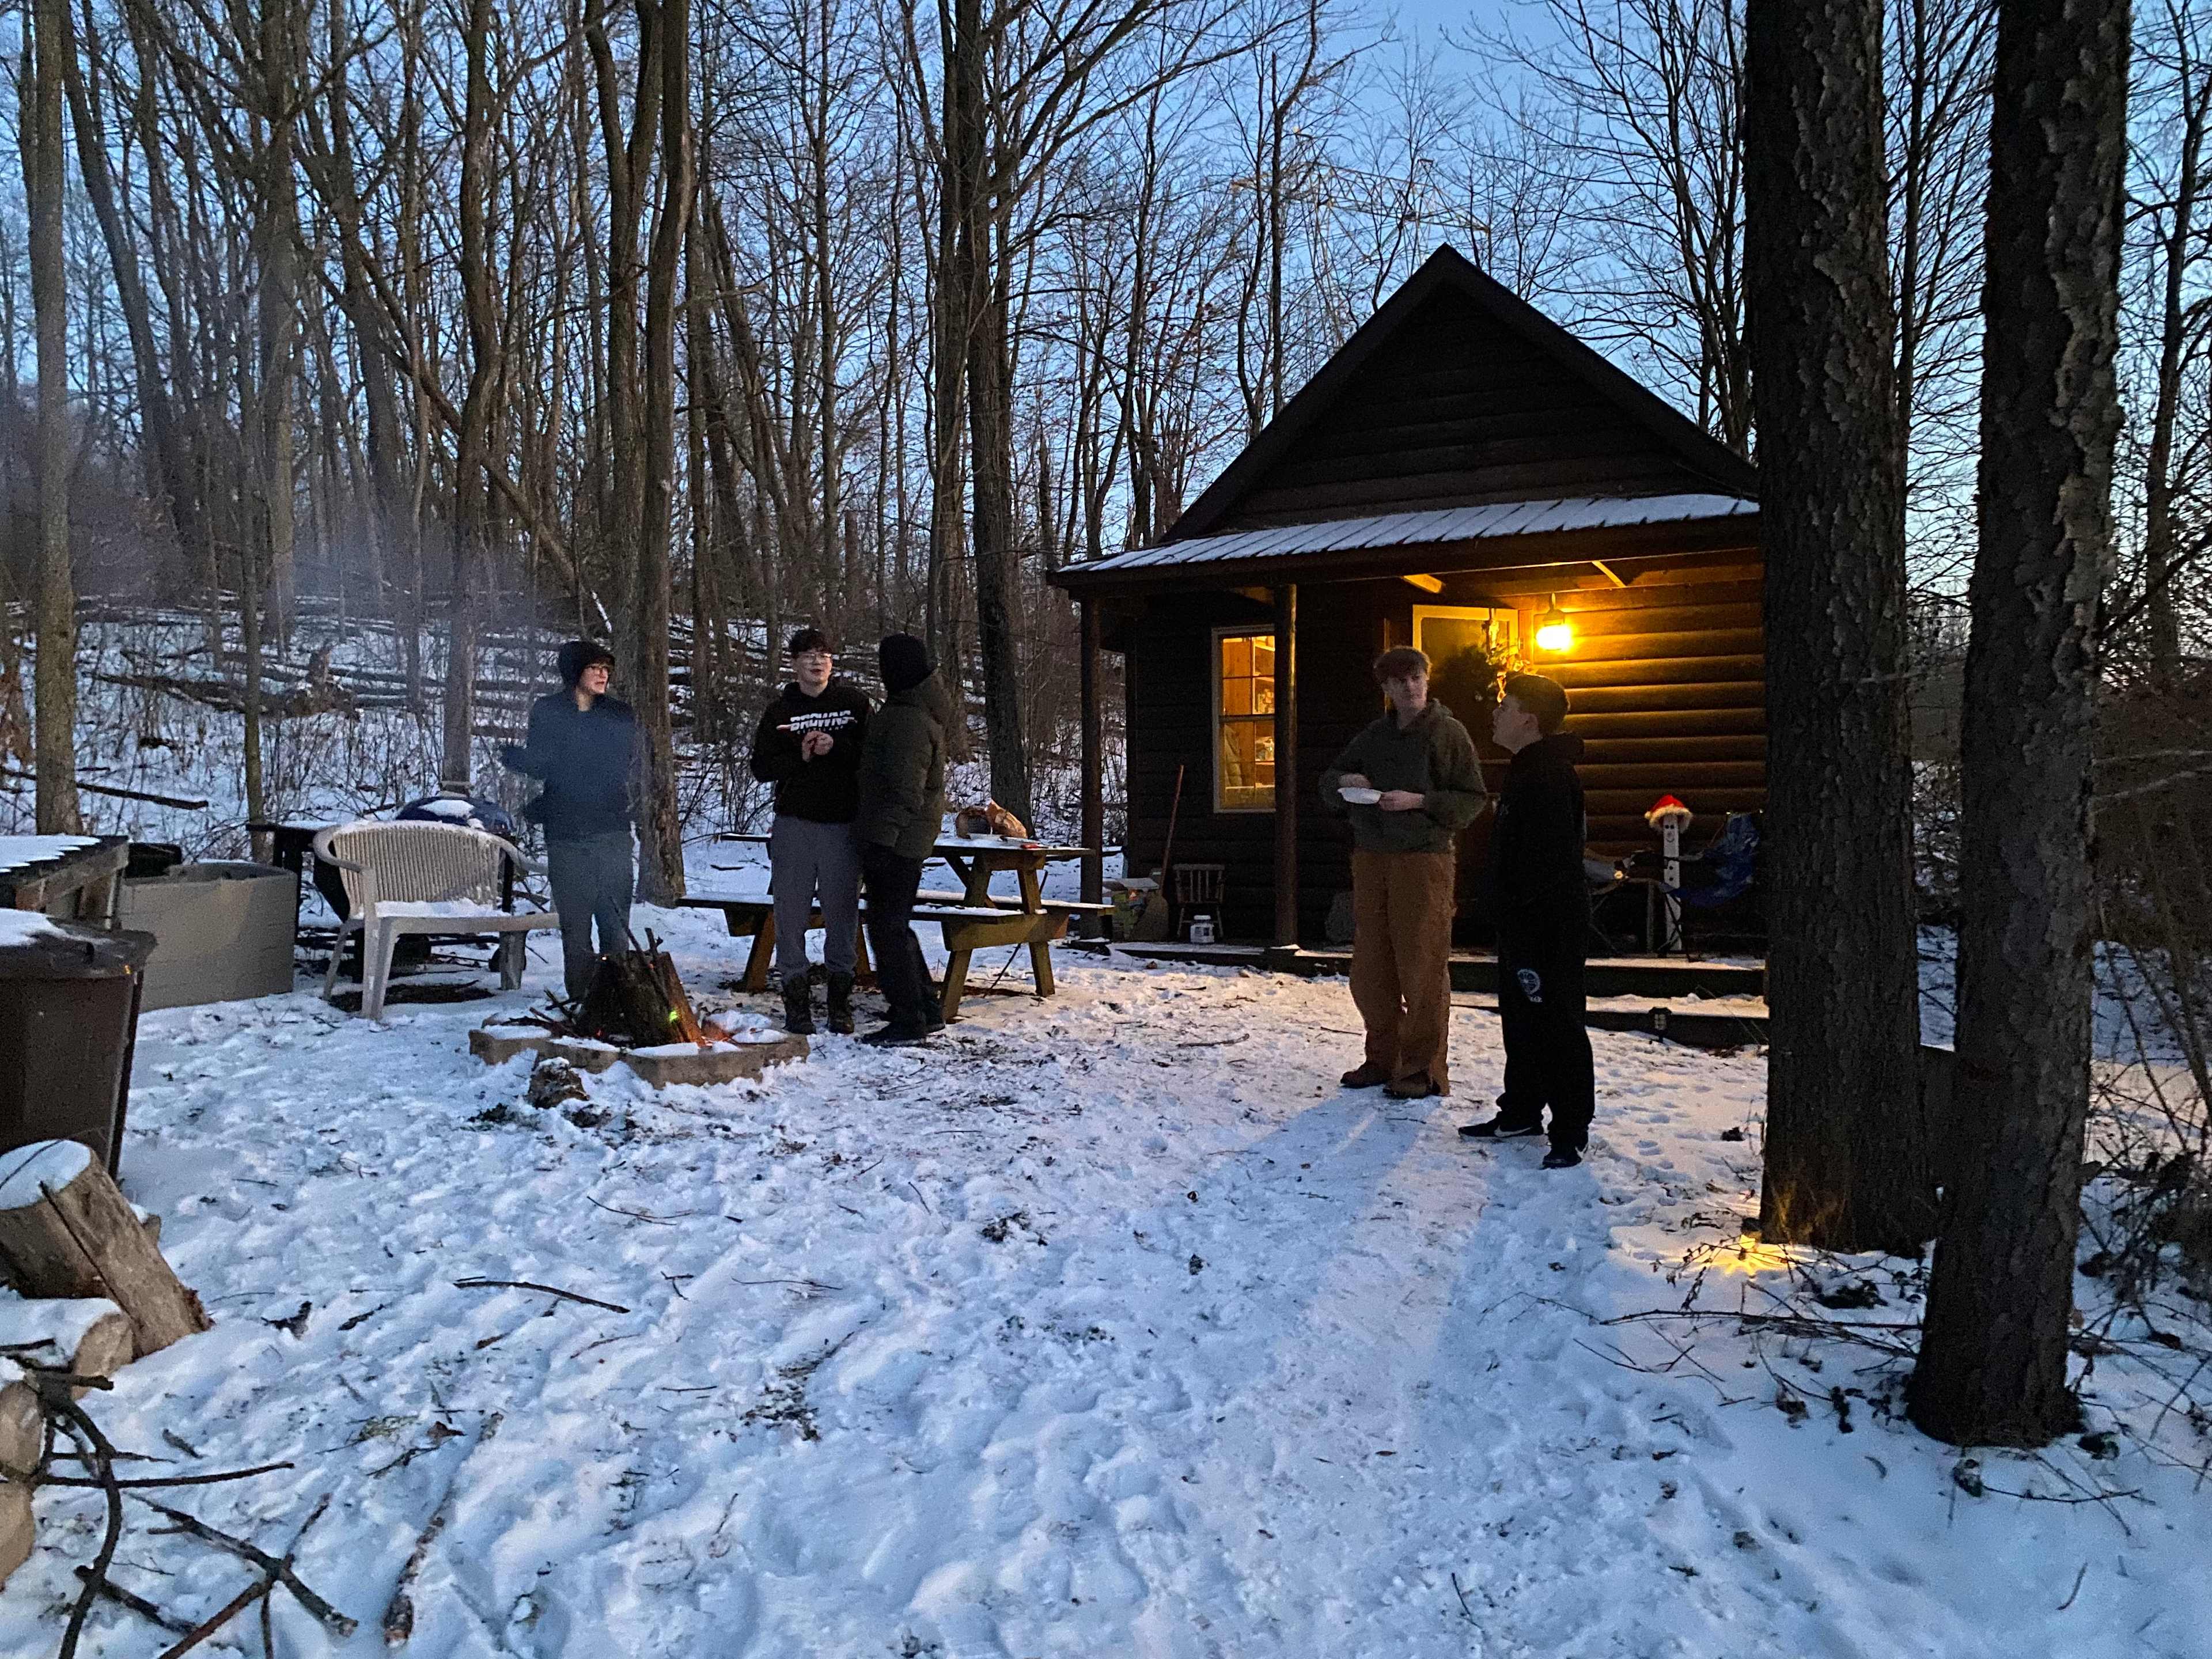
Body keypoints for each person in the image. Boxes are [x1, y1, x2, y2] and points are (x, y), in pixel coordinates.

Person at [1319, 646, 1488, 1099]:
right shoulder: (1375, 736)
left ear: (1427, 680)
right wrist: (1346, 784)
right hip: (1372, 857)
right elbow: (1330, 781)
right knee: (1371, 967)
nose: (1410, 688)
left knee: (1422, 964)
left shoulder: (1447, 734)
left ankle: (1423, 1069)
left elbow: (1472, 799)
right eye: (1399, 682)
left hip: (1424, 859)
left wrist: (1420, 801)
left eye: (1416, 678)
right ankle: (1382, 1058)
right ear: (1387, 689)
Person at [1460, 672, 1596, 1169]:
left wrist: (1524, 914)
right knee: (1520, 1020)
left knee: (1557, 1021)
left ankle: (1571, 1129)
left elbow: (1552, 862)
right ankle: (1520, 1110)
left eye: (1505, 705)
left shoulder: (1552, 776)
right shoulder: (1525, 769)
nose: (1495, 713)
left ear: (1529, 719)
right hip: (1520, 921)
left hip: (1548, 925)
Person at [500, 640, 639, 1003]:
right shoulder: (548, 711)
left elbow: (606, 767)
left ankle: (619, 999)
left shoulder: (618, 715)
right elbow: (545, 764)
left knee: (614, 926)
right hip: (566, 836)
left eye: (606, 669)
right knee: (575, 928)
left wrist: (551, 780)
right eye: (595, 668)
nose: (603, 675)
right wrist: (521, 761)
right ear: (573, 672)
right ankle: (583, 1002)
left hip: (610, 830)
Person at [749, 628, 872, 1035]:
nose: (817, 662)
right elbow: (761, 767)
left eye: (824, 655)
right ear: (795, 663)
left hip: (843, 825)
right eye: (808, 656)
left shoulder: (854, 705)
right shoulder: (779, 711)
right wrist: (798, 756)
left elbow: (873, 761)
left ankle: (840, 999)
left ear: (832, 662)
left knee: (842, 914)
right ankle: (796, 998)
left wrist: (837, 748)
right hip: (795, 824)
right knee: (791, 915)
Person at [854, 633, 950, 1047]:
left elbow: (904, 791)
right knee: (896, 926)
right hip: (903, 838)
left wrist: (881, 841)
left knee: (887, 929)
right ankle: (925, 1007)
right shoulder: (912, 711)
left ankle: (910, 1016)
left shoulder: (907, 719)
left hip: (896, 841)